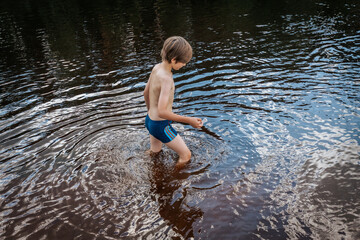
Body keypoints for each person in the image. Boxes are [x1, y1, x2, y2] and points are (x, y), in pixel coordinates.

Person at [144, 36, 203, 167]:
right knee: (186, 155)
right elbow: (162, 111)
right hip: (160, 125)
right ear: (174, 59)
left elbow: (145, 93)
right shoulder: (167, 78)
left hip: (149, 120)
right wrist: (189, 120)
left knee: (155, 152)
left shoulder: (156, 68)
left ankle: (149, 170)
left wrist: (149, 113)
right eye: (183, 62)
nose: (184, 65)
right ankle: (173, 182)